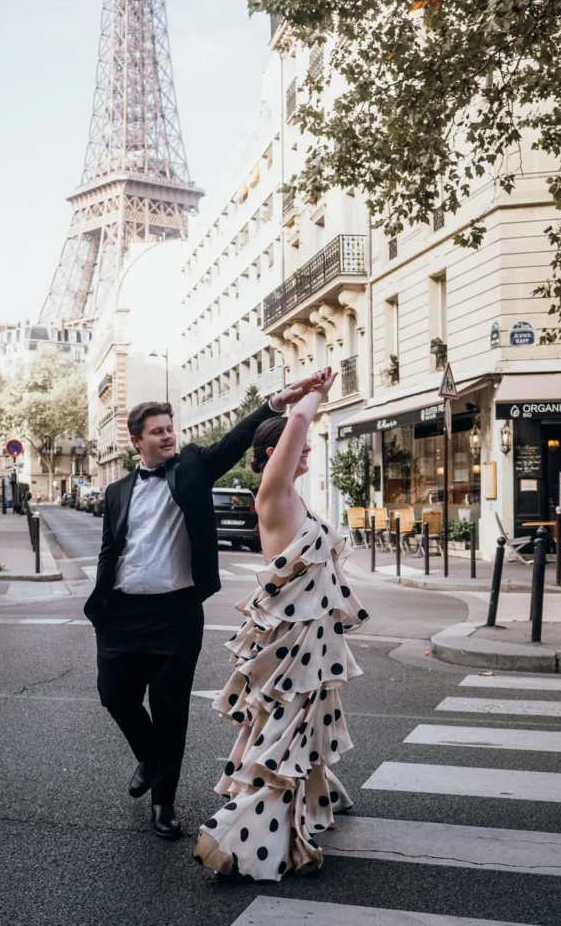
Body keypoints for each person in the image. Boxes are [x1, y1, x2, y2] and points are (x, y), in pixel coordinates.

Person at [83, 376, 323, 841]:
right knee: (115, 696)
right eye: (157, 431)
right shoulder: (116, 492)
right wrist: (101, 603)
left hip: (175, 615)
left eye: (170, 428)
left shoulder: (192, 466)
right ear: (137, 441)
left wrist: (276, 402)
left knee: (170, 709)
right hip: (122, 613)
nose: (168, 435)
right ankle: (151, 760)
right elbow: (110, 549)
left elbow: (233, 440)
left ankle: (164, 802)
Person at [195, 368, 369, 881]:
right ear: (273, 455)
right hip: (292, 642)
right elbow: (295, 421)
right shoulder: (272, 494)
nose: (308, 452)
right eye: (301, 448)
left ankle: (313, 797)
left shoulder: (293, 498)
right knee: (285, 730)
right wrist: (314, 395)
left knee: (299, 724)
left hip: (309, 639)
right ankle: (243, 835)